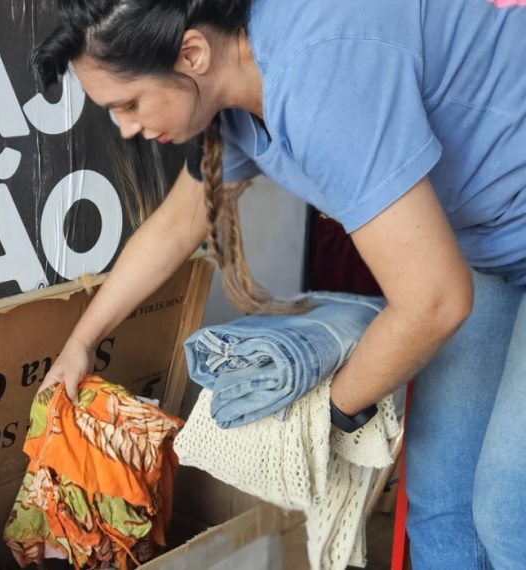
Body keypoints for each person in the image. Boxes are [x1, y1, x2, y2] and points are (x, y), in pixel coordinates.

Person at [31, 0, 526, 567]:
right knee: (442, 504)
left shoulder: (317, 75)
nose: (126, 128)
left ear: (191, 53)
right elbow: (176, 224)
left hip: (474, 262)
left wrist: (322, 416)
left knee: (509, 512)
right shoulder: (239, 88)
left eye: (129, 103)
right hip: (492, 252)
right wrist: (81, 342)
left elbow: (434, 302)